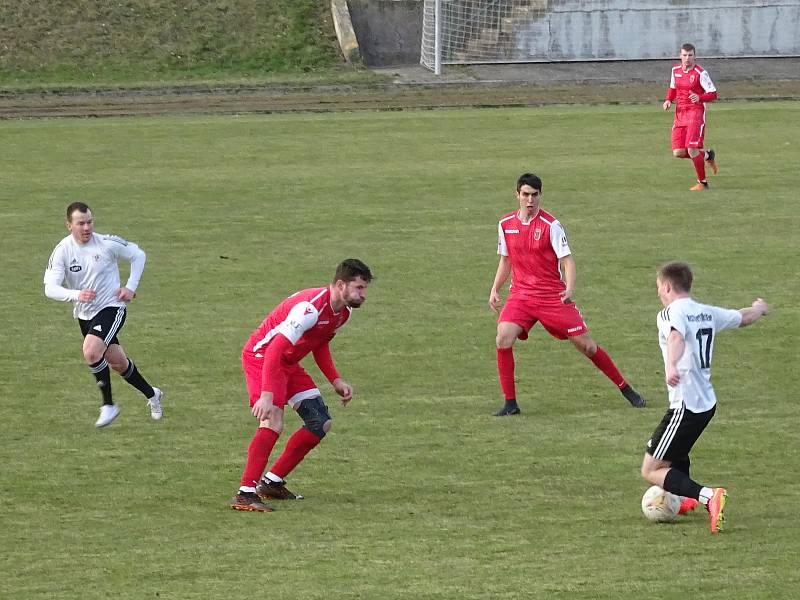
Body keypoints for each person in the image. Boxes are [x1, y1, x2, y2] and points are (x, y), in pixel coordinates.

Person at [489, 173, 645, 416]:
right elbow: (505, 260)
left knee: (587, 346)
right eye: (525, 195)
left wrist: (569, 288)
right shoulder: (505, 224)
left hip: (553, 297)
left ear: (540, 196)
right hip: (521, 295)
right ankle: (510, 404)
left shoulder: (551, 226)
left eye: (535, 195)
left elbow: (567, 261)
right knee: (503, 337)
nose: (530, 200)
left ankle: (626, 389)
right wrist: (495, 288)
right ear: (517, 195)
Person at [230, 258, 373, 512]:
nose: (364, 295)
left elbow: (320, 342)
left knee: (320, 421)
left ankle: (271, 483)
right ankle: (245, 492)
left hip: (287, 361)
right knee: (273, 419)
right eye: (359, 288)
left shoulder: (343, 313)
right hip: (262, 358)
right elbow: (274, 350)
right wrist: (267, 394)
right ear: (341, 285)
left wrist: (335, 379)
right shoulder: (309, 309)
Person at [641, 262, 768, 533]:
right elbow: (742, 318)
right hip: (705, 403)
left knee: (651, 468)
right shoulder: (706, 312)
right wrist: (758, 308)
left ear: (666, 286)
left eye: (658, 288)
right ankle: (684, 498)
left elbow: (676, 337)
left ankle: (709, 496)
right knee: (676, 451)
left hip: (685, 404)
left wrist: (672, 366)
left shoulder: (669, 313)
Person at [43, 202, 163, 428]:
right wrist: (76, 294)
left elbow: (138, 255)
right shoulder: (62, 251)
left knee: (90, 351)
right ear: (69, 225)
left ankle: (108, 405)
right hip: (85, 315)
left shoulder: (107, 243)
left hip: (111, 308)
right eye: (81, 223)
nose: (87, 227)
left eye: (89, 222)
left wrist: (130, 287)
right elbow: (50, 288)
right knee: (118, 363)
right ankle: (153, 394)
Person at [663, 43, 719, 191]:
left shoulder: (701, 73)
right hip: (680, 113)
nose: (687, 58)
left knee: (691, 148)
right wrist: (669, 99)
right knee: (678, 152)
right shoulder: (675, 71)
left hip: (695, 113)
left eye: (690, 55)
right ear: (680, 56)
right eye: (685, 55)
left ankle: (703, 182)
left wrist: (700, 97)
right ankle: (707, 156)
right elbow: (673, 88)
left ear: (695, 56)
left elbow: (713, 94)